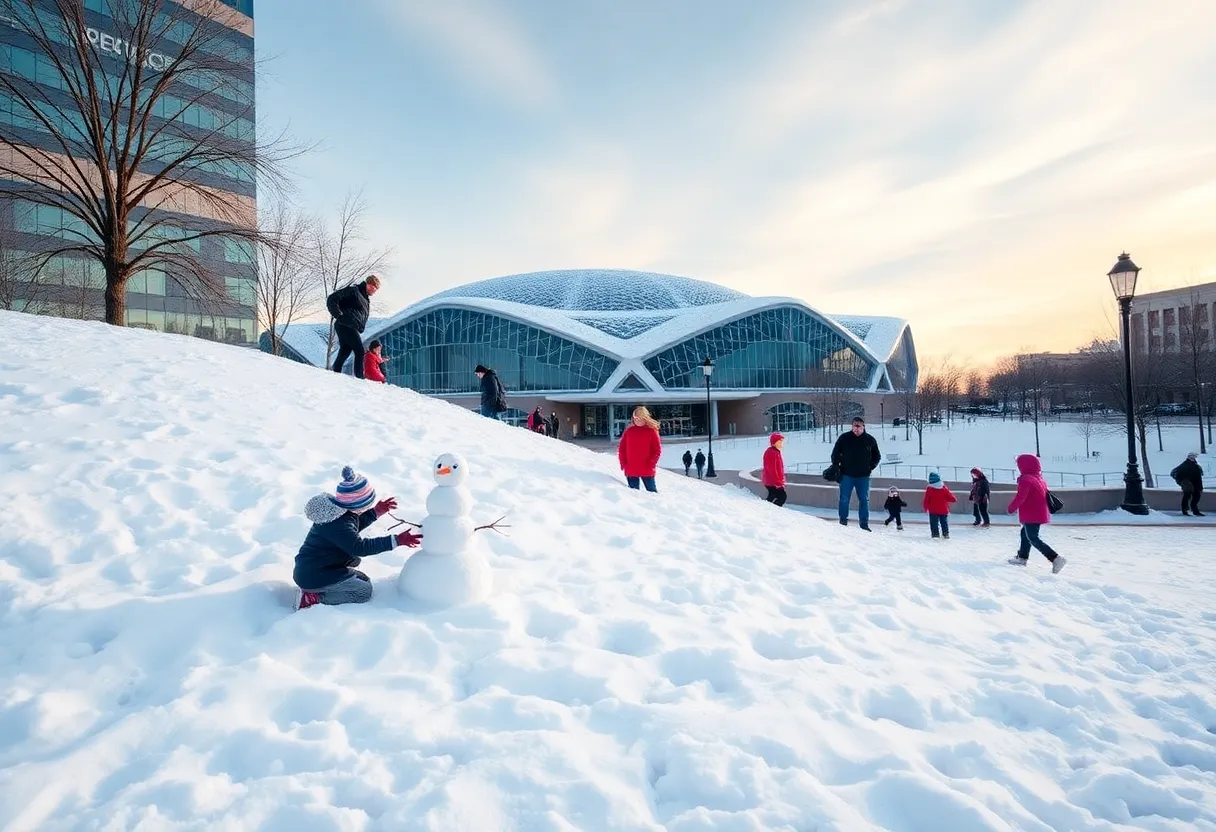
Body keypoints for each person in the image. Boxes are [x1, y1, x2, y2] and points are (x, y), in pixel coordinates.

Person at [293, 466, 423, 610]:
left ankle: (321, 587)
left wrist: (375, 512)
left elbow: (352, 527)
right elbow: (359, 547)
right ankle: (313, 598)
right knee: (363, 592)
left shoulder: (339, 514)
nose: (369, 507)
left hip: (315, 567)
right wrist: (396, 540)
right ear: (358, 505)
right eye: (368, 505)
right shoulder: (338, 523)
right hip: (313, 575)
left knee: (362, 576)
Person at [1007, 454, 1066, 573]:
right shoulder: (1039, 479)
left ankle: (1055, 558)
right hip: (1038, 512)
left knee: (1033, 537)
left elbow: (1021, 497)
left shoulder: (1025, 479)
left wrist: (1011, 508)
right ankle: (1022, 557)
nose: (1018, 467)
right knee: (1025, 533)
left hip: (1031, 513)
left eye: (1019, 464)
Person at [831, 416, 881, 530]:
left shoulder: (870, 440)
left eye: (858, 426)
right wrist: (836, 465)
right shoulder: (844, 438)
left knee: (864, 500)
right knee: (844, 499)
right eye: (854, 426)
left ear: (863, 426)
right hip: (846, 475)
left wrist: (871, 466)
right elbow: (835, 453)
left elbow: (877, 456)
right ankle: (843, 522)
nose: (856, 429)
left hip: (863, 476)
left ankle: (864, 524)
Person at [327, 273, 381, 378]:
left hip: (349, 325)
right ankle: (359, 377)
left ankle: (335, 373)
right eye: (372, 287)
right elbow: (332, 298)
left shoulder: (365, 299)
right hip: (346, 324)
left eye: (375, 289)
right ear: (367, 284)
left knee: (345, 350)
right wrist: (338, 314)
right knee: (359, 350)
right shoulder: (354, 291)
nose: (373, 290)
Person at [618, 406, 662, 492]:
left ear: (645, 418)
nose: (637, 421)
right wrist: (623, 463)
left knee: (652, 493)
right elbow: (622, 448)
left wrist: (651, 463)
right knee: (634, 495)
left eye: (640, 419)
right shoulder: (629, 431)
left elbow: (657, 450)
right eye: (635, 418)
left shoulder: (652, 431)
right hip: (631, 469)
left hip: (647, 469)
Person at [923, 472, 957, 539]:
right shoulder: (943, 487)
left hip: (933, 510)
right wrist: (954, 499)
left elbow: (926, 499)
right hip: (943, 509)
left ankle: (935, 535)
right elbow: (950, 497)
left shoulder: (929, 488)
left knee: (934, 524)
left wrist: (925, 507)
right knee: (944, 523)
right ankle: (946, 534)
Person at [1170, 452, 1205, 516]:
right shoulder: (1184, 465)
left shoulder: (1196, 465)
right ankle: (1185, 510)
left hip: (1196, 484)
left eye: (1194, 457)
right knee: (1187, 496)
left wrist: (1200, 486)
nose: (1194, 458)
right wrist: (1183, 482)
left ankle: (1195, 510)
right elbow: (1177, 474)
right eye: (1192, 457)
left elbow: (1198, 476)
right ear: (1189, 457)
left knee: (1196, 497)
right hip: (1188, 485)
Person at [762, 432, 787, 506]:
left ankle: (767, 509)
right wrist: (778, 482)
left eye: (782, 441)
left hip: (773, 481)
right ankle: (771, 511)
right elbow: (772, 469)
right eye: (780, 441)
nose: (782, 443)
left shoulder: (775, 452)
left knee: (773, 496)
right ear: (774, 443)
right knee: (782, 496)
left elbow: (779, 468)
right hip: (772, 482)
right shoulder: (771, 453)